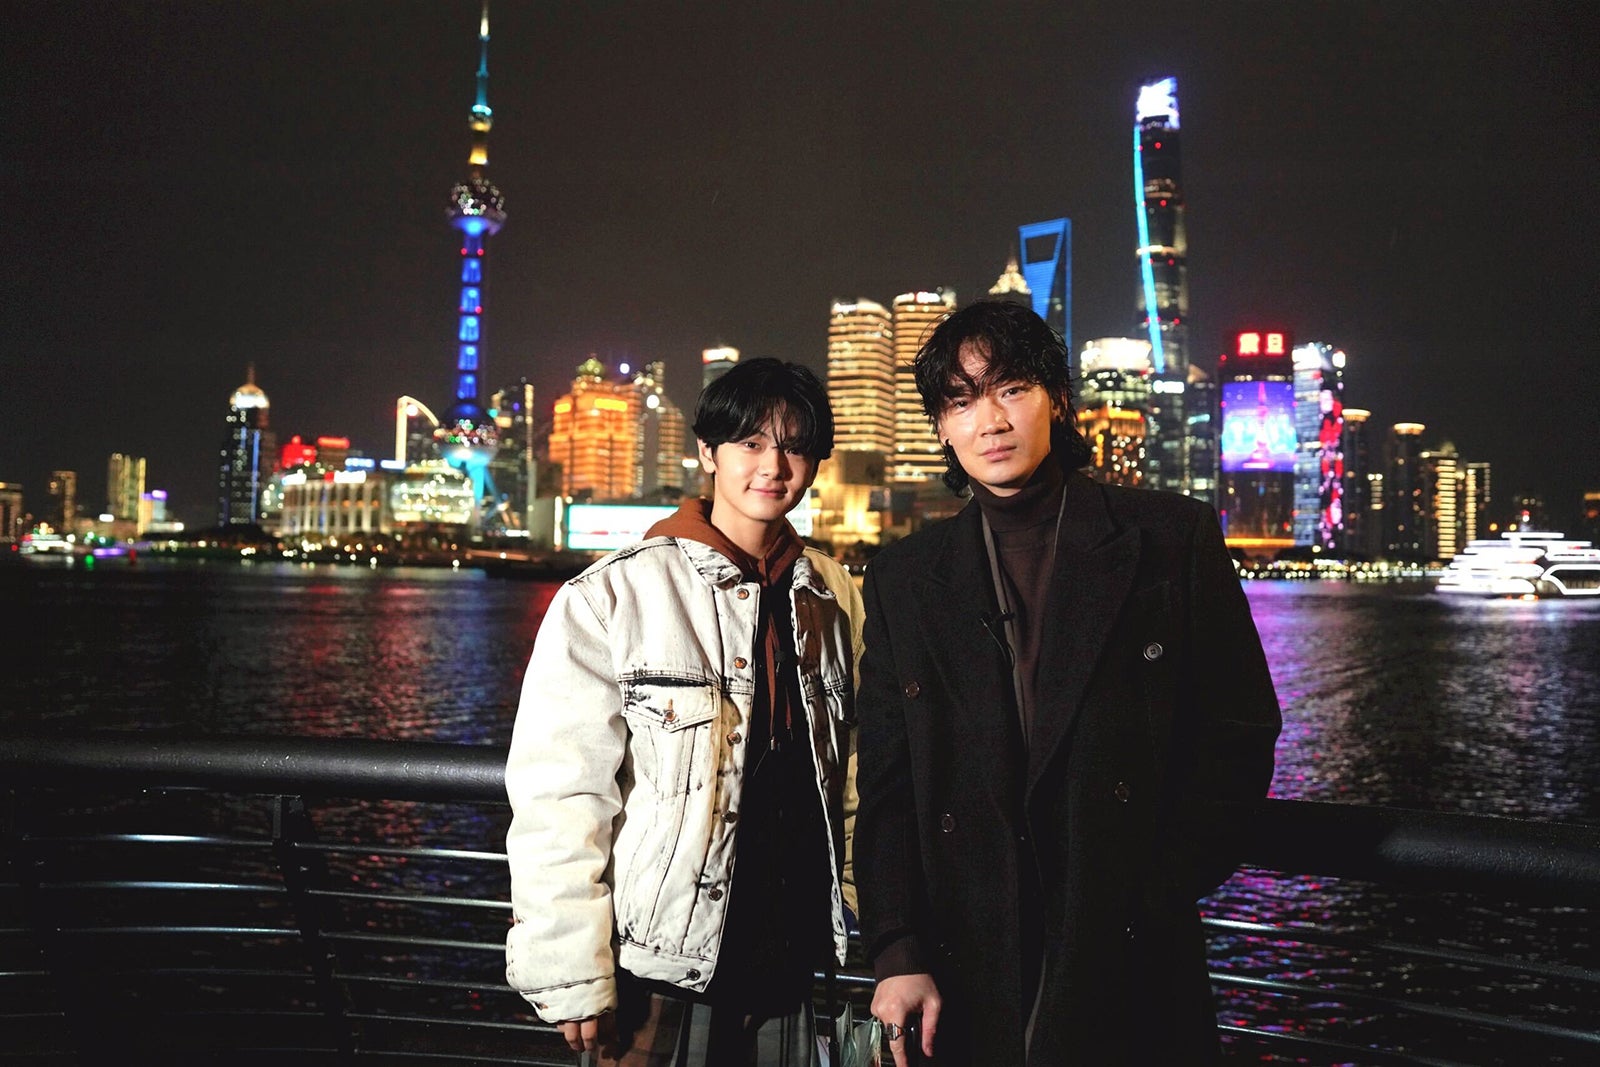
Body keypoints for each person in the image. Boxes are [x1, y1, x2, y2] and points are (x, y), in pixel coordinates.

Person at [854, 301, 1282, 1066]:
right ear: (942, 428)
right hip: (961, 965)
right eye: (961, 401)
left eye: (1011, 389)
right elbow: (887, 786)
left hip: (1129, 953)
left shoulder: (1169, 540)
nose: (990, 420)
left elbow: (1239, 736)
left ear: (1056, 397)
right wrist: (895, 947)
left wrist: (1149, 887)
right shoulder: (904, 579)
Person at [505, 357, 862, 1066]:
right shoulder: (614, 595)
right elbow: (561, 794)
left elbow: (855, 772)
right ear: (708, 452)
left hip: (795, 955)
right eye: (751, 443)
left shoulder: (833, 595)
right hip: (661, 965)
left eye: (794, 447)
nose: (773, 466)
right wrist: (572, 971)